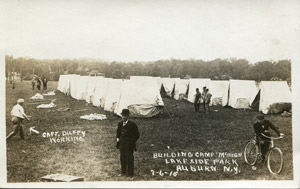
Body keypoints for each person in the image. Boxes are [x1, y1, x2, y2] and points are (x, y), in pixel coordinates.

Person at [116, 109, 140, 177]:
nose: (123, 117)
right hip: (122, 144)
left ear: (128, 116)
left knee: (129, 158)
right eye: (122, 116)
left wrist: (131, 142)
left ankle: (130, 173)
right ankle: (123, 172)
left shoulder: (132, 125)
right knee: (122, 158)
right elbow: (118, 133)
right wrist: (118, 140)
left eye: (125, 116)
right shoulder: (120, 124)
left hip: (129, 145)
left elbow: (137, 135)